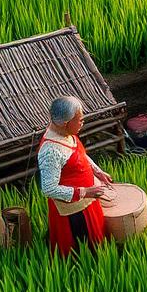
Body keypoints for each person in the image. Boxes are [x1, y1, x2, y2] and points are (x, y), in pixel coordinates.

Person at [37, 95, 113, 258]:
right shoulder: (51, 151)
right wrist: (84, 192)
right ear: (66, 123)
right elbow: (48, 189)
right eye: (80, 120)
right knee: (83, 250)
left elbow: (80, 154)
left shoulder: (66, 134)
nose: (82, 123)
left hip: (88, 200)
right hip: (74, 212)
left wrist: (97, 171)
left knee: (99, 241)